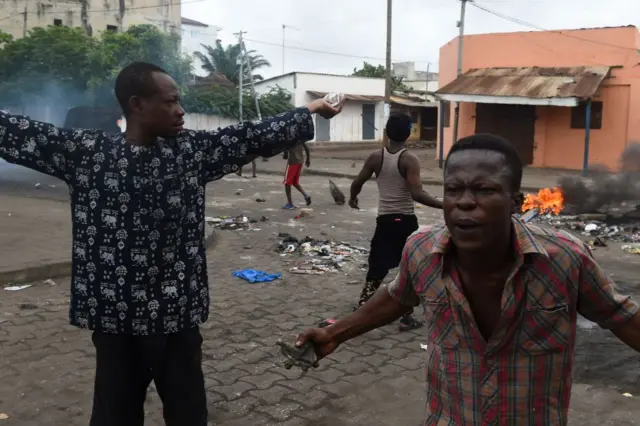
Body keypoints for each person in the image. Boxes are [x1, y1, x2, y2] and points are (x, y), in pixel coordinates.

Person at [0, 61, 343, 426]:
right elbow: (18, 133)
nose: (180, 111)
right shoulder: (88, 154)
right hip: (119, 325)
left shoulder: (189, 151)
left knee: (187, 414)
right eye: (170, 102)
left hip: (176, 322)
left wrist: (310, 108)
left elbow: (251, 135)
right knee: (115, 415)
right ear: (137, 105)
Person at [296, 133, 640, 424]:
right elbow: (398, 296)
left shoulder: (565, 259)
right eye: (453, 190)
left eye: (484, 190)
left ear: (516, 202)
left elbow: (621, 317)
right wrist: (334, 333)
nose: (464, 203)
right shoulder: (421, 251)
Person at [349, 113, 442, 331]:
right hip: (405, 221)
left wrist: (353, 198)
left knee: (378, 264)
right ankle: (406, 316)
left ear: (386, 131)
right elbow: (417, 194)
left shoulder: (375, 157)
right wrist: (444, 205)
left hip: (385, 219)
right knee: (410, 267)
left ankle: (365, 303)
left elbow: (357, 181)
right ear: (408, 133)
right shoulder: (409, 159)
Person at [282, 141, 311, 209]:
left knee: (287, 183)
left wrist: (285, 154)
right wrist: (308, 160)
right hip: (300, 161)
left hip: (292, 162)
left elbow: (285, 153)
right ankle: (306, 196)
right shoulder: (300, 137)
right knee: (295, 182)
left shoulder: (289, 138)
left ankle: (290, 203)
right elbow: (307, 149)